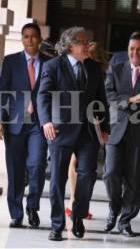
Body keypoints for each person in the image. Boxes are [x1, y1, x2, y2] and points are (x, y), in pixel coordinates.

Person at [37, 26, 110, 241]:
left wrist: (104, 128)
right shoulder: (53, 66)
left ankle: (78, 216)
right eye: (83, 42)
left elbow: (101, 99)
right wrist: (46, 121)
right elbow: (43, 95)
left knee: (87, 174)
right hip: (60, 130)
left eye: (87, 41)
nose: (88, 45)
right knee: (58, 179)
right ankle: (57, 225)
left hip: (87, 131)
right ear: (70, 46)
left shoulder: (94, 68)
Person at [103, 32, 140, 237]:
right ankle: (114, 208)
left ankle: (125, 221)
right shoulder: (116, 69)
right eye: (131, 49)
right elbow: (109, 95)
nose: (134, 53)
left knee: (135, 179)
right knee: (110, 173)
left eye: (138, 49)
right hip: (117, 130)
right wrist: (130, 100)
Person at [0, 23, 48, 228]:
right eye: (26, 36)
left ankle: (32, 206)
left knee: (36, 165)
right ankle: (16, 212)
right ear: (22, 39)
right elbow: (3, 91)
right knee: (15, 169)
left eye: (34, 36)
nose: (30, 40)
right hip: (15, 123)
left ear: (40, 39)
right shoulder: (11, 61)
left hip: (39, 123)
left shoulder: (50, 63)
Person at [65, 41, 109, 220]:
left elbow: (104, 99)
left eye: (94, 56)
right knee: (74, 162)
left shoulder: (101, 73)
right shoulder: (77, 70)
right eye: (88, 55)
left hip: (95, 124)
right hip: (76, 124)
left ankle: (80, 203)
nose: (90, 59)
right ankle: (73, 201)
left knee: (88, 169)